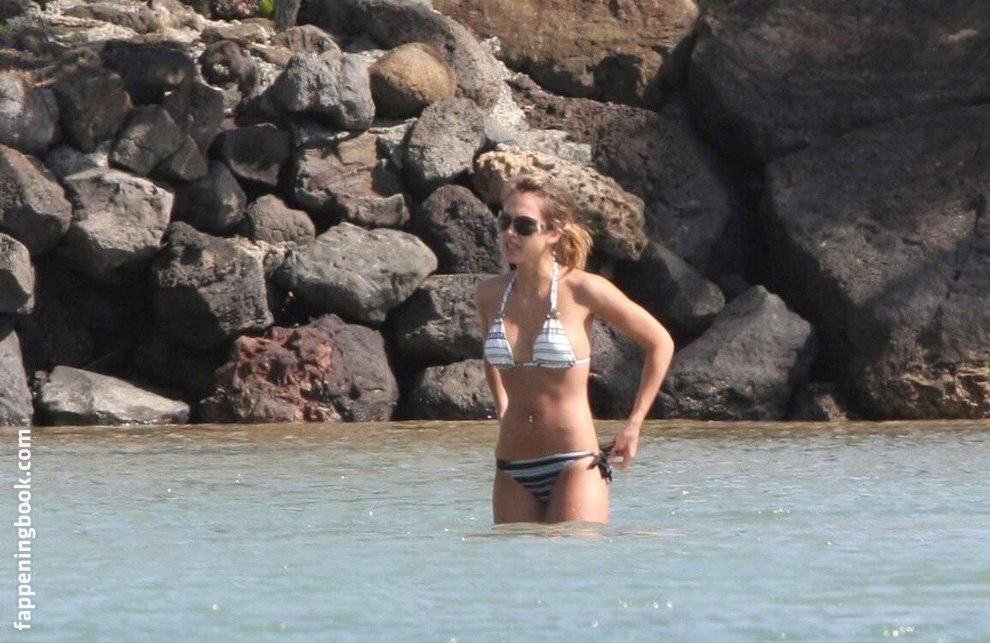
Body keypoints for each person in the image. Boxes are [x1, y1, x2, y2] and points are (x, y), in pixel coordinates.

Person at [475, 175, 675, 524]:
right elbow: (490, 354)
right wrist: (502, 406)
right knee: (512, 559)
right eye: (504, 222)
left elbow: (660, 343)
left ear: (553, 233)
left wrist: (634, 425)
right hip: (512, 466)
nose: (510, 233)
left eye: (524, 226)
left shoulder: (584, 290)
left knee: (571, 557)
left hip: (575, 462)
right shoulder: (489, 294)